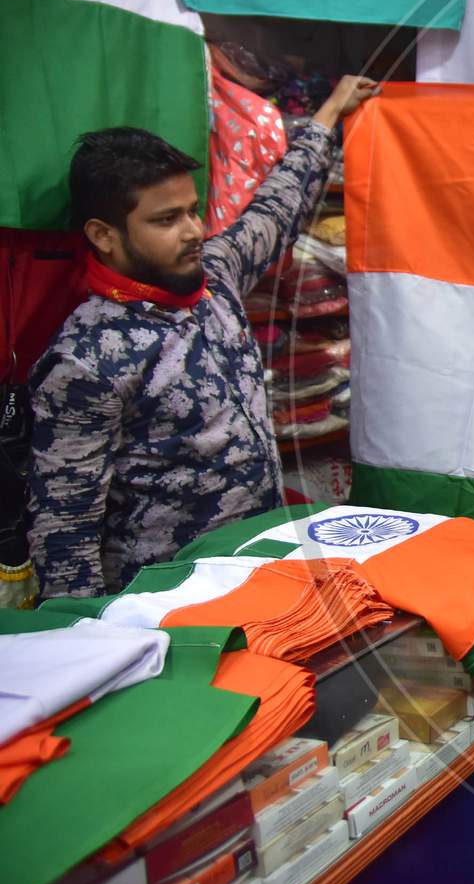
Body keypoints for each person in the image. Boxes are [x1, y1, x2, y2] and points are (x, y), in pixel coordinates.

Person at [27, 75, 379, 597]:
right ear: (104, 235)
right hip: (168, 600)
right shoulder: (87, 360)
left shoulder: (215, 277)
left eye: (192, 210)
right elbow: (65, 526)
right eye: (167, 219)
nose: (193, 230)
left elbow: (276, 210)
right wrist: (95, 643)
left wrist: (330, 113)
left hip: (259, 569)